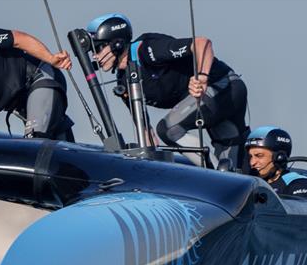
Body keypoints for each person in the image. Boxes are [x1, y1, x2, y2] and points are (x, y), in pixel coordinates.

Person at [86, 13, 248, 169]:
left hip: (224, 86)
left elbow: (202, 43)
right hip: (210, 103)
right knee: (235, 166)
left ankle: (214, 177)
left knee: (168, 129)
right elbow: (145, 132)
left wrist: (202, 77)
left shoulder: (146, 50)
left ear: (117, 43)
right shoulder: (125, 81)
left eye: (98, 48)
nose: (95, 56)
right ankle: (227, 175)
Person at [244, 126, 307, 199]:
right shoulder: (252, 184)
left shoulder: (298, 184)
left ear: (279, 157)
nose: (252, 162)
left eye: (259, 156)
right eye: (251, 156)